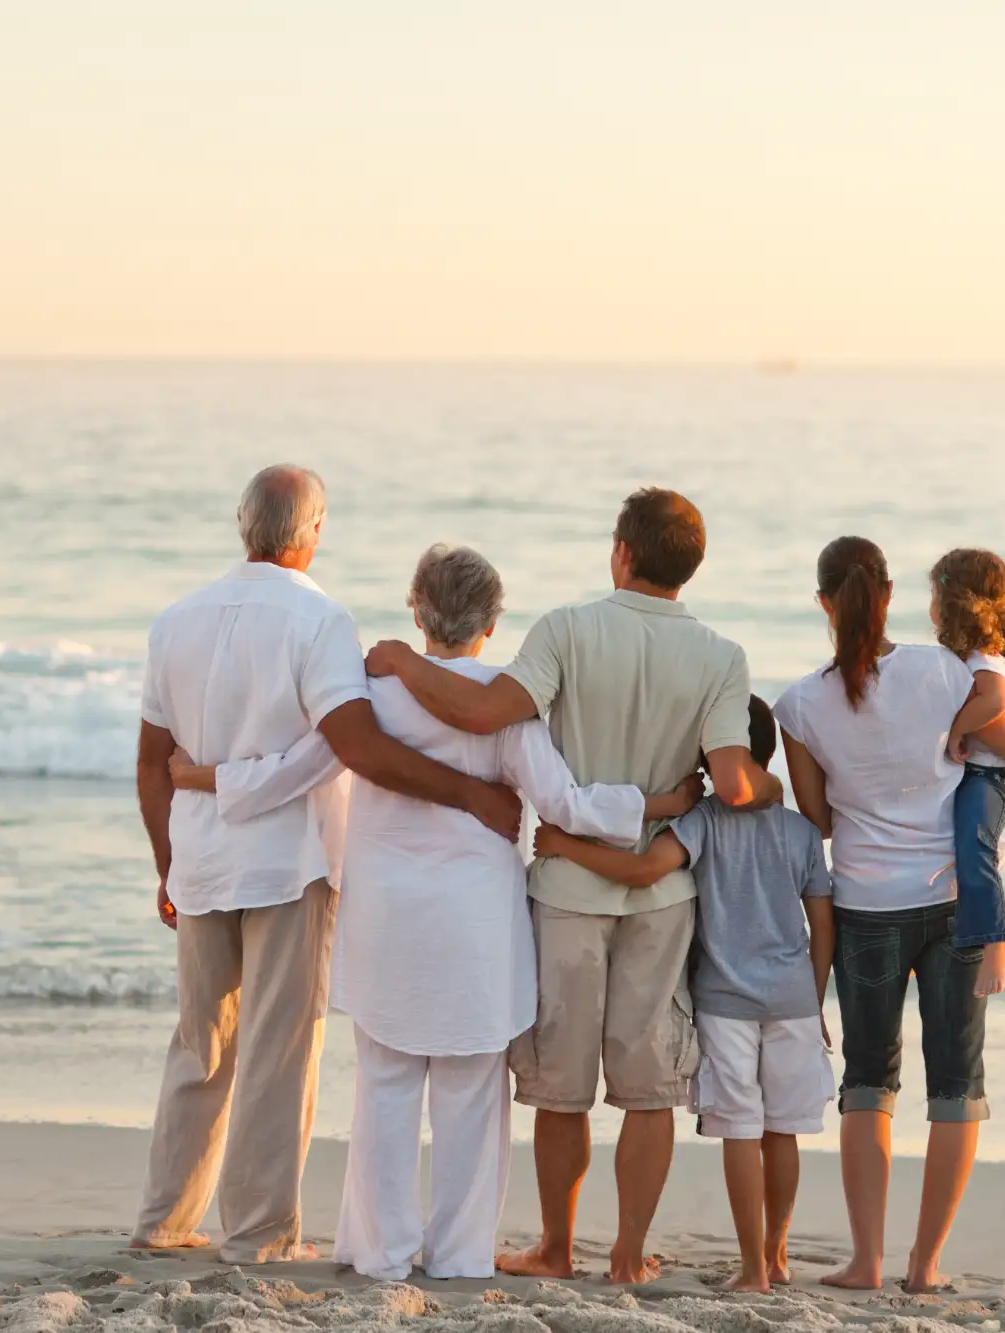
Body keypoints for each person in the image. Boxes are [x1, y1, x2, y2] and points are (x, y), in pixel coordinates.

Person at [169, 545, 701, 1281]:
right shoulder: (507, 707)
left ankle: (378, 1252)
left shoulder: (372, 692)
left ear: (416, 611)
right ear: (492, 621)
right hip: (474, 923)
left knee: (384, 1086)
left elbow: (302, 767)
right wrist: (660, 803)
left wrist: (204, 778)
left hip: (386, 915)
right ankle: (457, 1255)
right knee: (471, 1095)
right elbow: (568, 805)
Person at [365, 488, 779, 1284]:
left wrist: (400, 659)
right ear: (689, 567)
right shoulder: (723, 658)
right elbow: (730, 780)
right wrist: (768, 794)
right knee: (649, 1081)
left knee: (563, 1084)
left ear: (621, 553)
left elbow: (488, 711)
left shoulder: (566, 628)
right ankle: (627, 1255)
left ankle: (556, 1246)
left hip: (565, 889)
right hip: (661, 896)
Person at [132, 466, 524, 1265]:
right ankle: (258, 1233)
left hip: (203, 862)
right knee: (279, 1046)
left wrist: (166, 864)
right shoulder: (319, 620)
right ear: (311, 533)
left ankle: (164, 1219)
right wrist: (470, 796)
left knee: (199, 1044)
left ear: (244, 524)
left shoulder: (176, 620)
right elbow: (357, 744)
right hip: (286, 862)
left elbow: (149, 760)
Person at [774, 536, 1005, 1293]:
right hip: (955, 897)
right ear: (890, 595)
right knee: (957, 1083)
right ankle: (924, 1266)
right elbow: (1003, 739)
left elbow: (819, 817)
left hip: (866, 902)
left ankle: (866, 1260)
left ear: (825, 604)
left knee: (868, 1081)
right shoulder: (943, 668)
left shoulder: (800, 704)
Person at [533, 696, 835, 1293]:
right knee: (783, 1131)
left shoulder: (703, 822)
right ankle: (776, 1259)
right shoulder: (802, 832)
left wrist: (565, 847)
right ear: (769, 754)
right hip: (795, 1002)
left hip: (725, 1002)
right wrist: (817, 996)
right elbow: (822, 922)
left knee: (742, 1131)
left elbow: (646, 870)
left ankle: (752, 1272)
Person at [930, 548, 1005, 998]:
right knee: (948, 848)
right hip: (978, 774)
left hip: (992, 777)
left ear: (951, 603)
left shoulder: (985, 659)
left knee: (971, 845)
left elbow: (995, 704)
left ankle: (995, 941)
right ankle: (931, 936)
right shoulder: (973, 655)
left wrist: (955, 733)